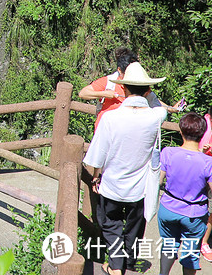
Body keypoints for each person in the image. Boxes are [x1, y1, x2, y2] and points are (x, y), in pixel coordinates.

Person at [84, 62, 169, 275]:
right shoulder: (156, 117)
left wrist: (96, 177)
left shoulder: (111, 118)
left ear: (124, 88)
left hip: (112, 182)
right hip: (140, 187)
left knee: (110, 223)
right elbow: (161, 109)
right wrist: (148, 95)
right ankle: (127, 262)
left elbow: (98, 155)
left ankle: (115, 266)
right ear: (148, 90)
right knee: (134, 227)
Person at [158, 112, 212, 275]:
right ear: (203, 134)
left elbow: (159, 181)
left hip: (168, 207)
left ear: (181, 131)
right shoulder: (207, 162)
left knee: (168, 245)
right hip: (194, 214)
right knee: (190, 253)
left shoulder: (168, 152)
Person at [80, 48, 178, 129]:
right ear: (119, 70)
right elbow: (83, 93)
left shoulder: (137, 84)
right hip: (105, 129)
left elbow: (152, 99)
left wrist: (172, 109)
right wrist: (104, 94)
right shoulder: (108, 82)